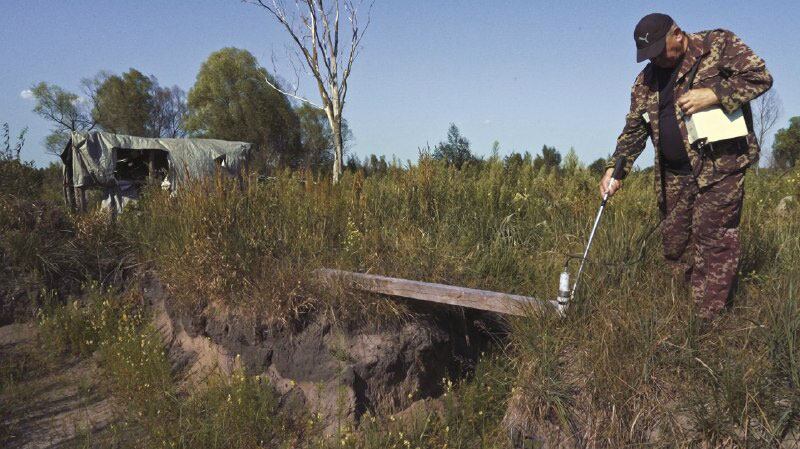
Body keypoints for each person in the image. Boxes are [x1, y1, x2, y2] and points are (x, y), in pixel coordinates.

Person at [600, 13, 772, 320]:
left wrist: (714, 94)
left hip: (720, 166)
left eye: (659, 52)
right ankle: (683, 309)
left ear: (677, 34)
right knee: (676, 242)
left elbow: (760, 77)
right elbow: (634, 130)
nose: (655, 61)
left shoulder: (716, 45)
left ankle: (706, 322)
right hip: (673, 175)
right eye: (648, 56)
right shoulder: (646, 80)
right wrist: (617, 169)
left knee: (713, 237)